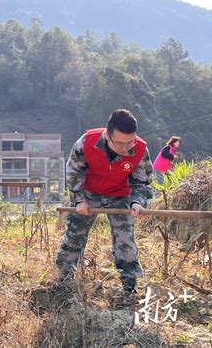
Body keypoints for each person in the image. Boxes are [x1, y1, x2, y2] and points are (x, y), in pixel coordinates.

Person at [56, 109, 153, 295]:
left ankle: (129, 285)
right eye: (119, 143)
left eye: (130, 142)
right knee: (75, 231)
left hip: (119, 194)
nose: (125, 148)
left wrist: (138, 202)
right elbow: (74, 171)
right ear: (107, 135)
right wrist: (79, 200)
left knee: (125, 238)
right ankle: (65, 276)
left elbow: (142, 181)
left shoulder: (140, 149)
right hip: (88, 193)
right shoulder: (87, 142)